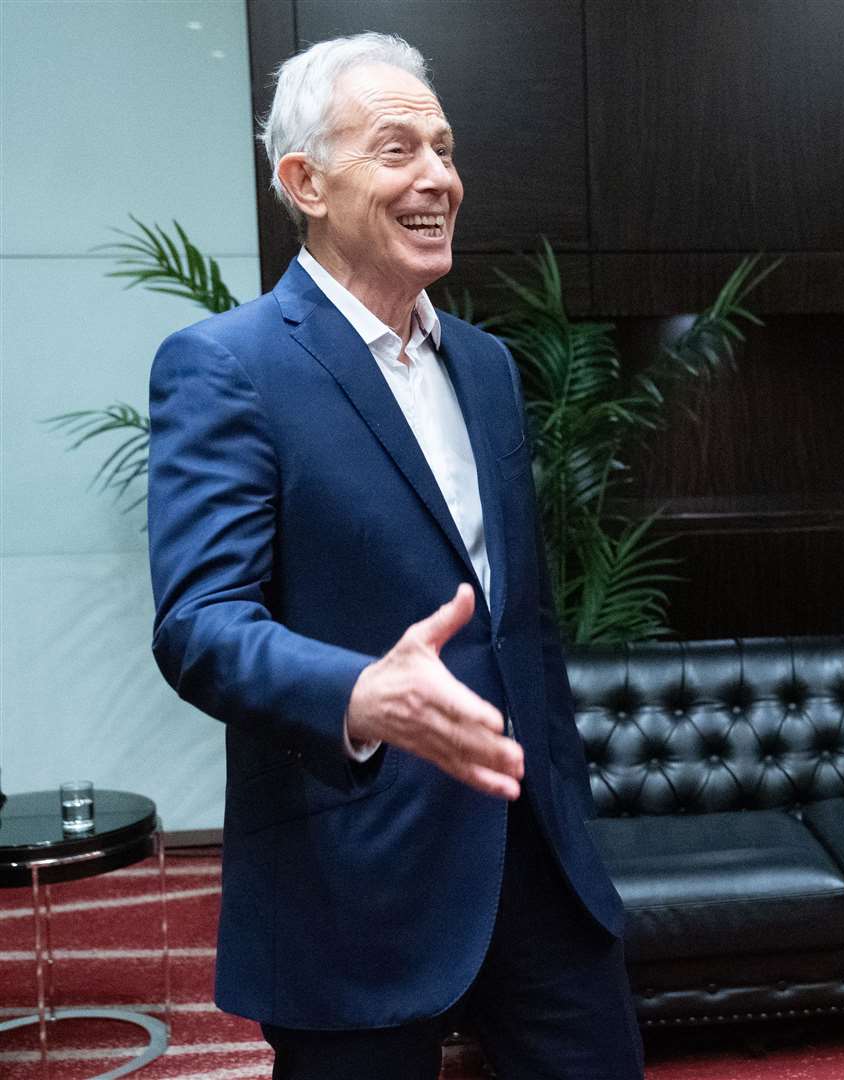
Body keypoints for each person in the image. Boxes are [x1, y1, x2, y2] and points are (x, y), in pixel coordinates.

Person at [147, 33, 642, 1079]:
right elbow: (199, 624)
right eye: (397, 148)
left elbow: (522, 620)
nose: (439, 179)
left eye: (447, 148)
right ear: (304, 182)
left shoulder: (490, 366)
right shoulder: (227, 367)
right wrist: (362, 695)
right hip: (353, 872)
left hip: (537, 859)